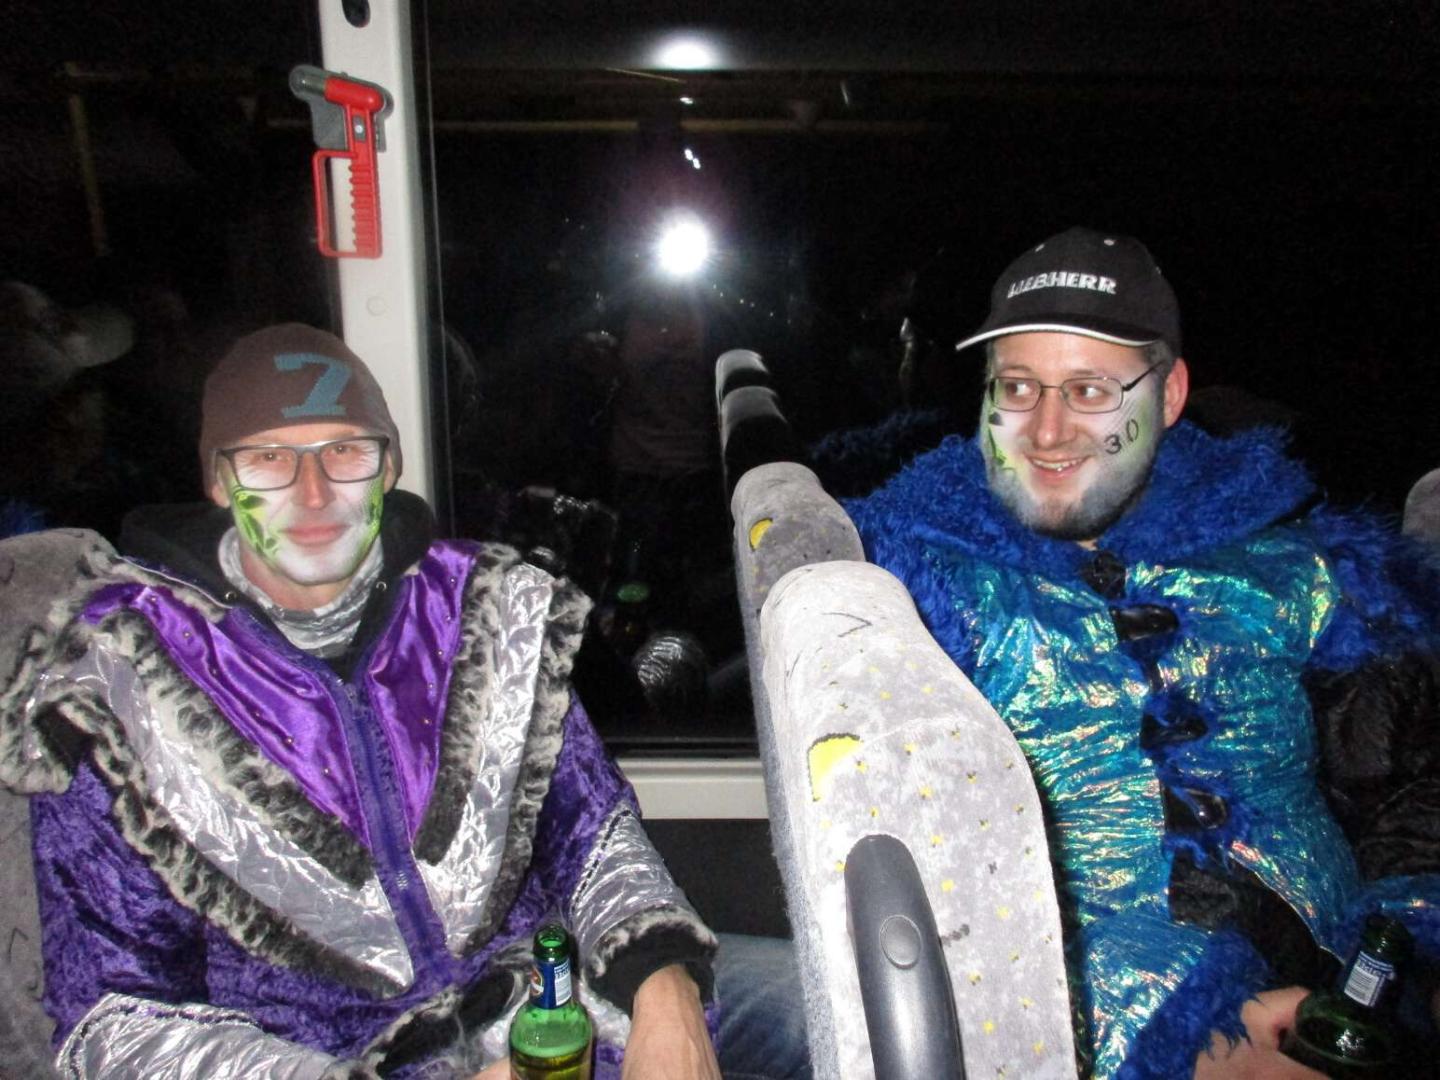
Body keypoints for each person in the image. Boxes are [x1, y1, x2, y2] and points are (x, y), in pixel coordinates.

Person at [0, 324, 724, 1078]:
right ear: (219, 481)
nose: (313, 493)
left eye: (344, 452)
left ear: (389, 468)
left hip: (561, 1023)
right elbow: (117, 1022)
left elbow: (593, 831)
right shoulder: (122, 686)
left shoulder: (487, 610)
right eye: (269, 459)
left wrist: (664, 988)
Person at [844, 227, 1440, 1078]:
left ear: (1168, 395)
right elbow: (911, 881)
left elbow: (1413, 783)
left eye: (1090, 390)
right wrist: (1183, 1046)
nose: (1047, 431)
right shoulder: (916, 587)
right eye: (1017, 387)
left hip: (1348, 1004)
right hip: (1082, 1031)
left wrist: (1405, 961)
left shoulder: (1297, 568)